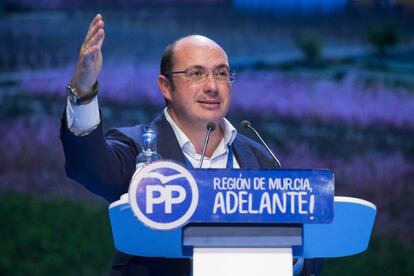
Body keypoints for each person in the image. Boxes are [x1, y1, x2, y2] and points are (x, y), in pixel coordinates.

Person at [60, 14, 323, 276]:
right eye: (196, 73)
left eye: (221, 74)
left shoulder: (259, 159)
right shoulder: (137, 148)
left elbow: (307, 252)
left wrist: (292, 260)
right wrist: (83, 91)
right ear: (166, 87)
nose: (212, 86)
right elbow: (87, 166)